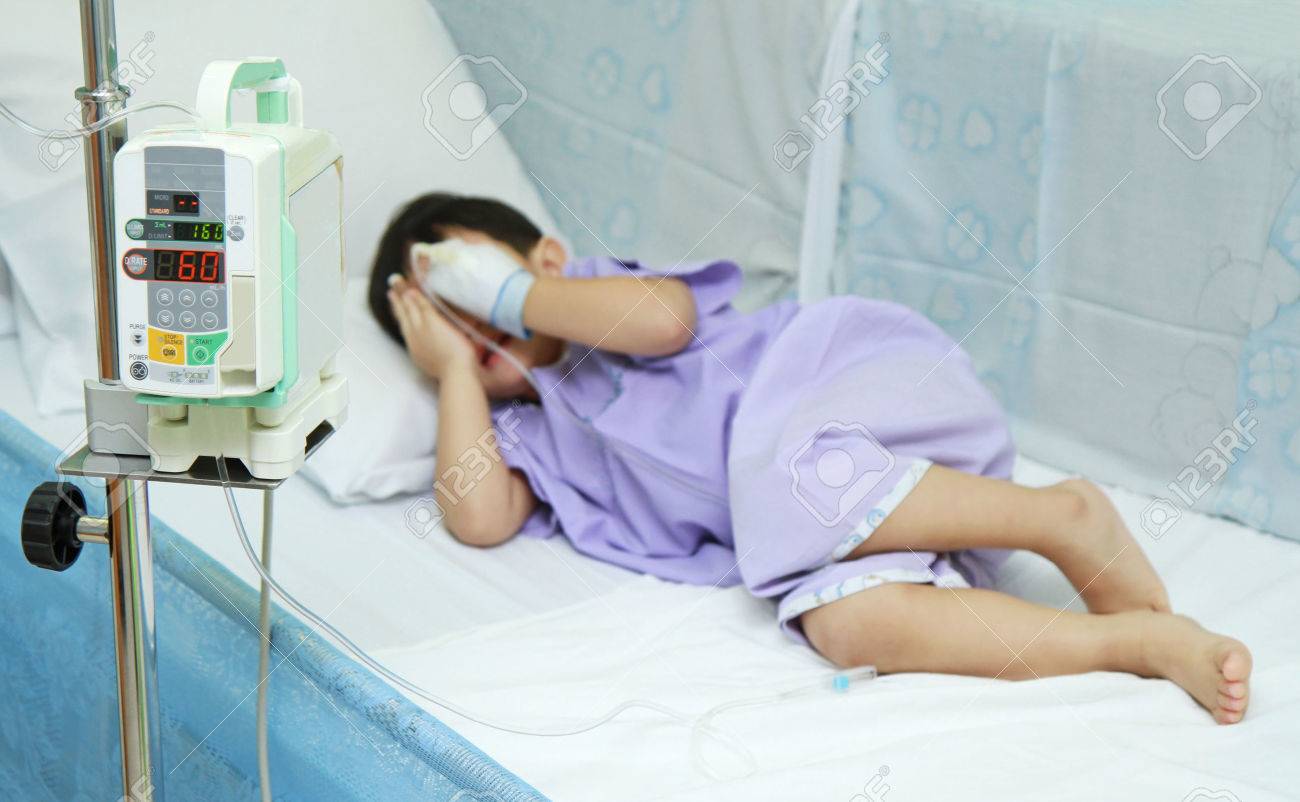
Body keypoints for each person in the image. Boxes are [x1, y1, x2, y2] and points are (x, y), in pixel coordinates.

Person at [368, 193, 1251, 724]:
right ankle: (1127, 644)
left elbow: (666, 321)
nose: (466, 323)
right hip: (841, 529)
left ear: (545, 265)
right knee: (842, 627)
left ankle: (1057, 517)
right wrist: (455, 375)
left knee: (791, 474)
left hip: (852, 394)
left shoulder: (609, 306)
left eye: (465, 289)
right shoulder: (521, 437)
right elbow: (478, 517)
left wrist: (517, 300)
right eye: (434, 322)